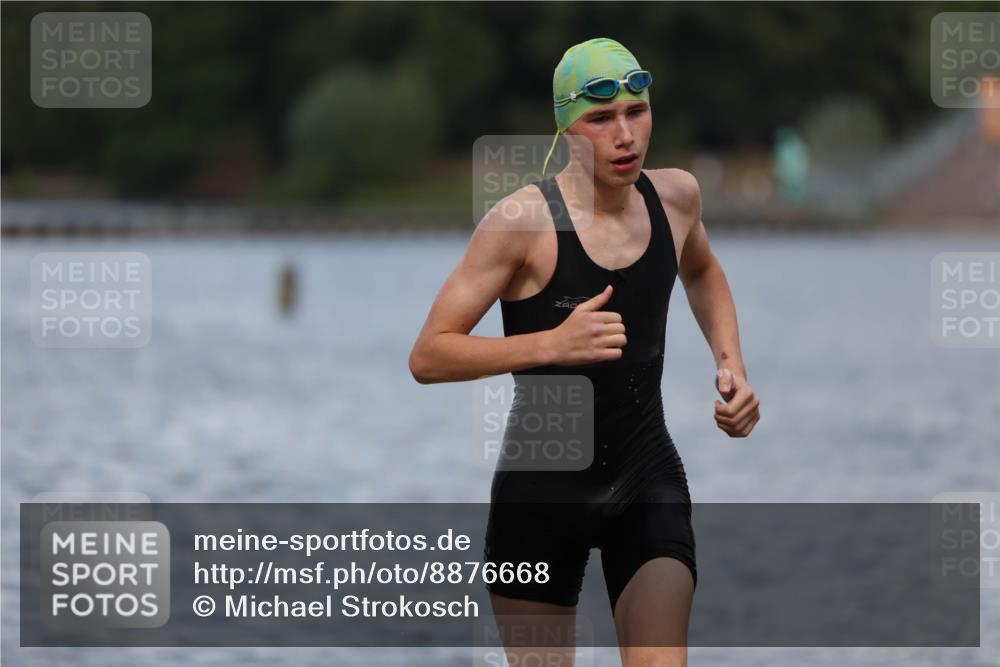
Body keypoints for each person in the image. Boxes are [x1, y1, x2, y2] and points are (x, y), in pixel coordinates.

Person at [409, 37, 760, 667]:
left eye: (637, 112)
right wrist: (549, 344)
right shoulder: (522, 224)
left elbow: (703, 272)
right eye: (601, 119)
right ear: (566, 128)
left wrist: (730, 364)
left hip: (645, 477)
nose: (625, 134)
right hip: (539, 498)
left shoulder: (676, 198)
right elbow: (429, 356)